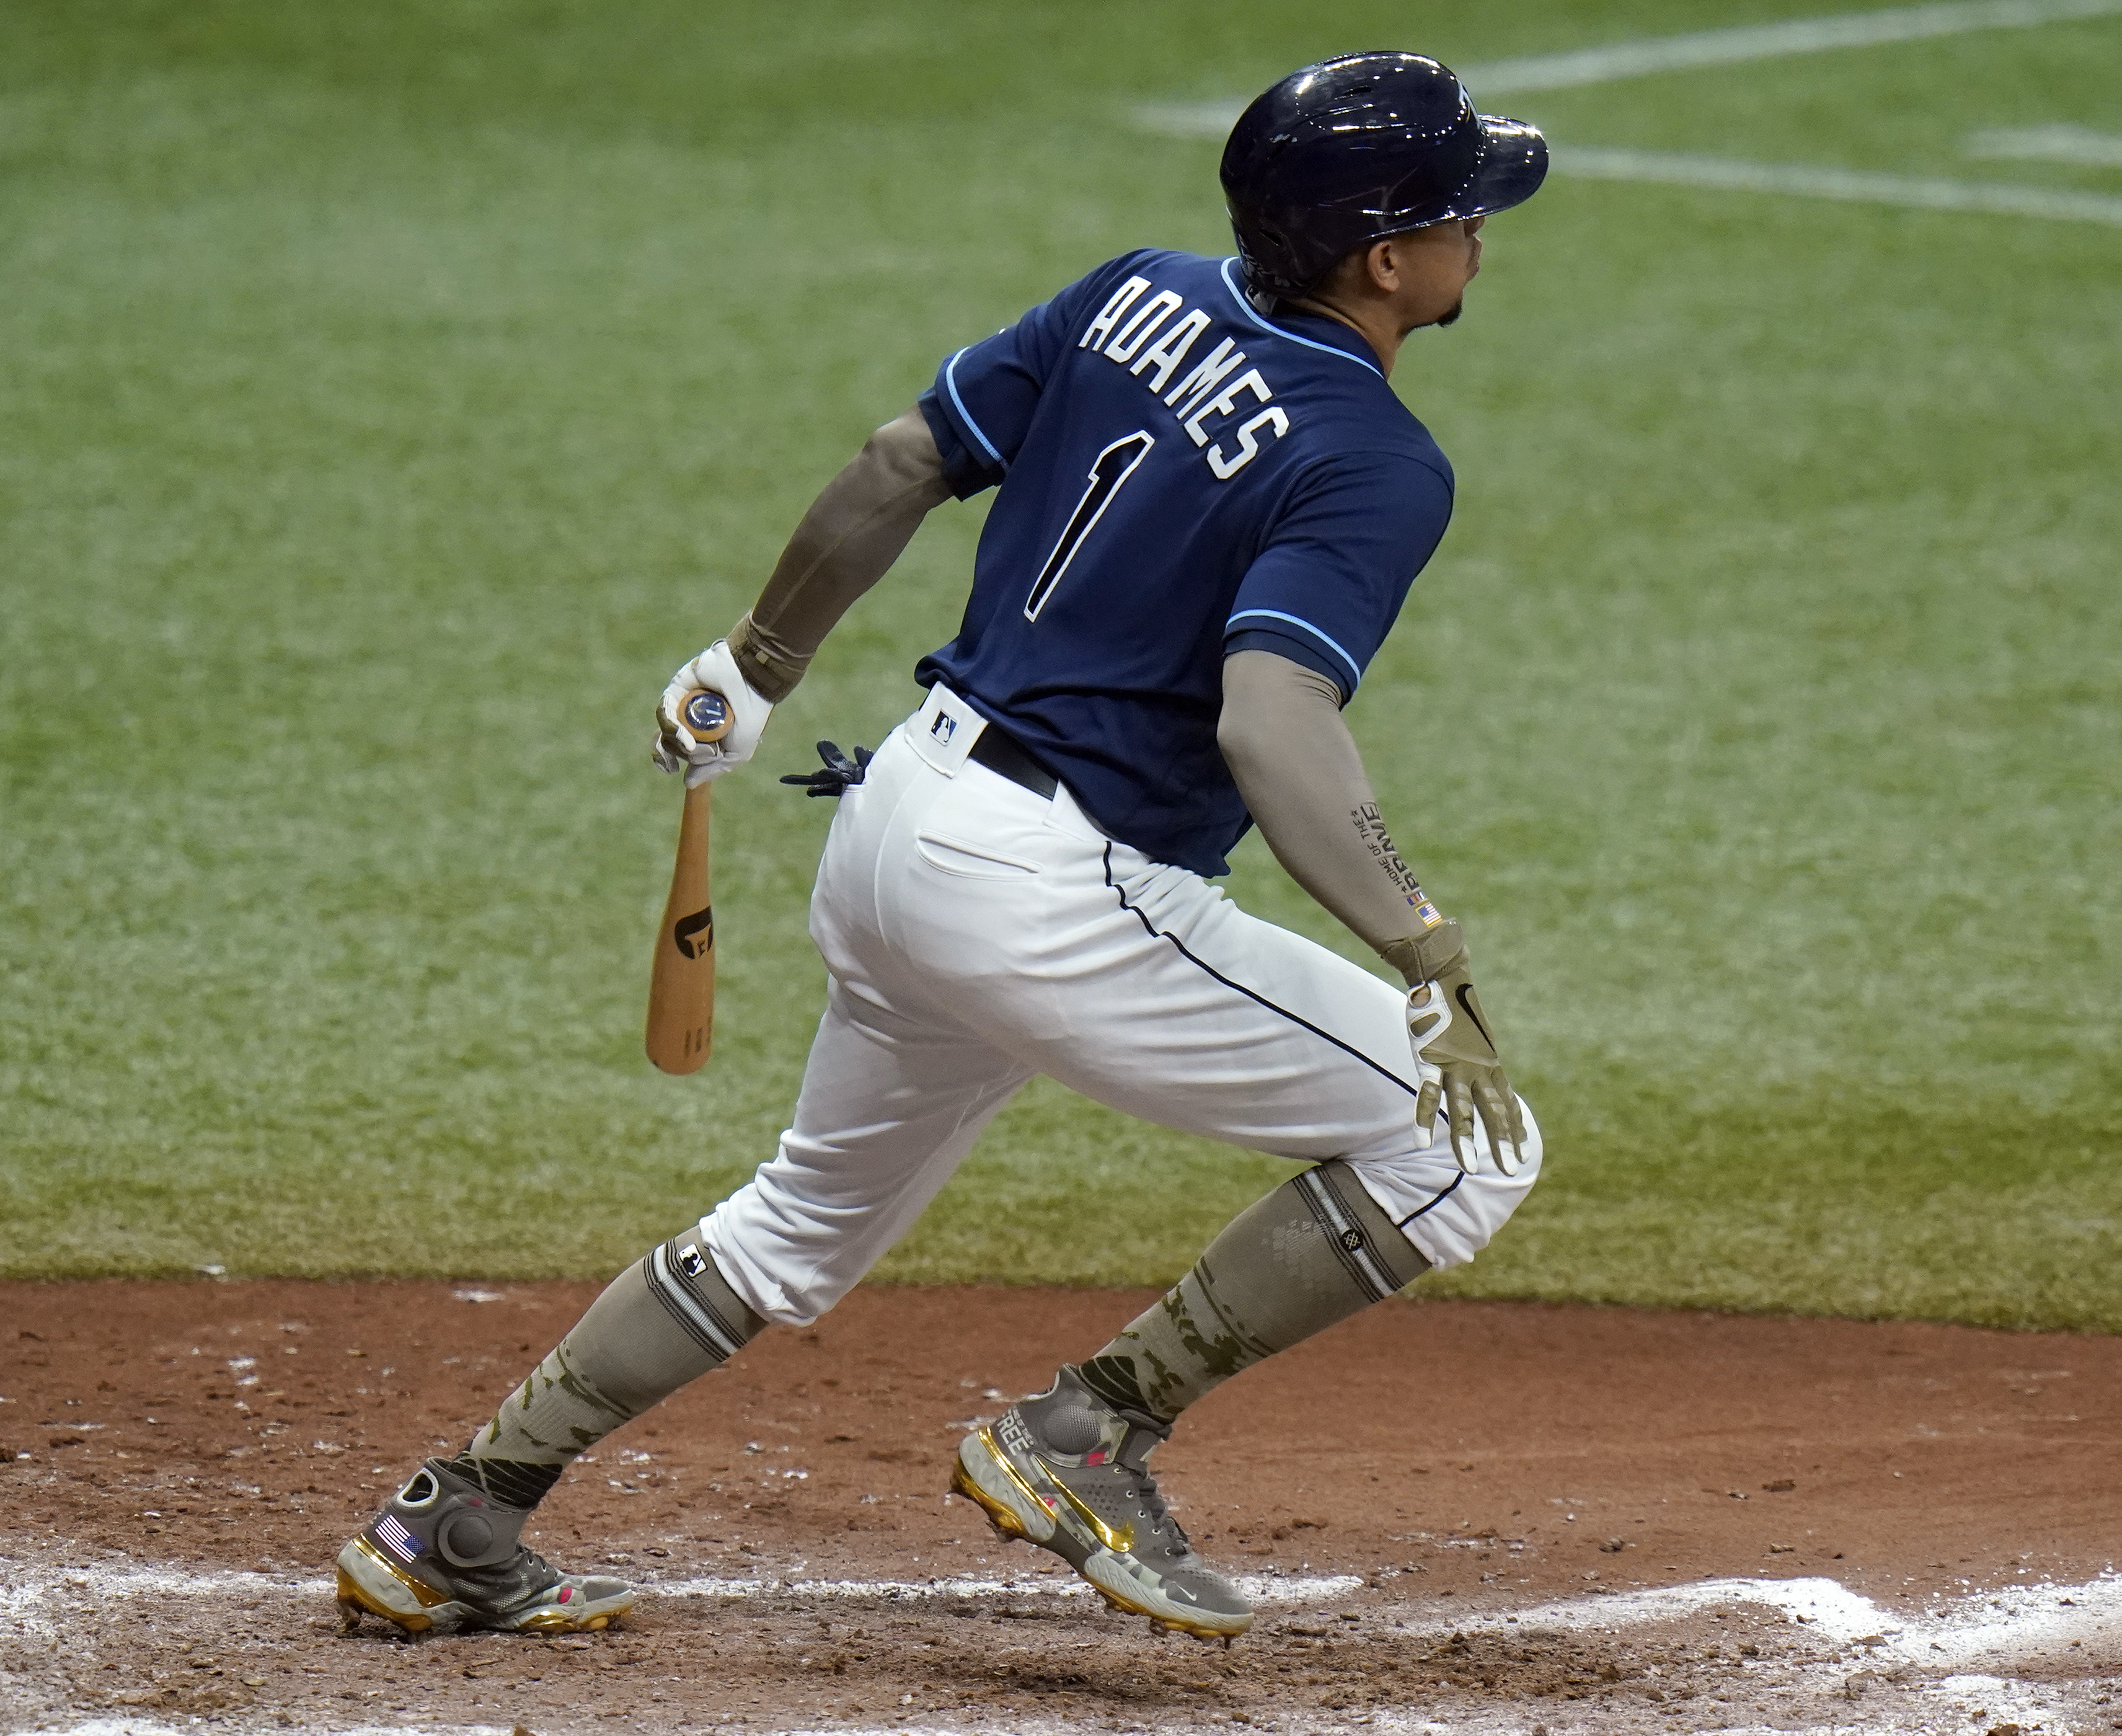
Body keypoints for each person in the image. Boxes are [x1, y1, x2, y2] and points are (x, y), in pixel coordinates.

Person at [333, 50, 1549, 1644]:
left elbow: (903, 460)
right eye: (1466, 212)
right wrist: (1428, 948)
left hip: (901, 822)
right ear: (1389, 260)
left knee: (793, 1221)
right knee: (1468, 1147)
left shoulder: (1139, 294)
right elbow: (1273, 723)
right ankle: (1089, 1431)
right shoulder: (1375, 456)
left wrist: (751, 664)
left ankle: (457, 1516)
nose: (1486, 235)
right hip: (1055, 888)